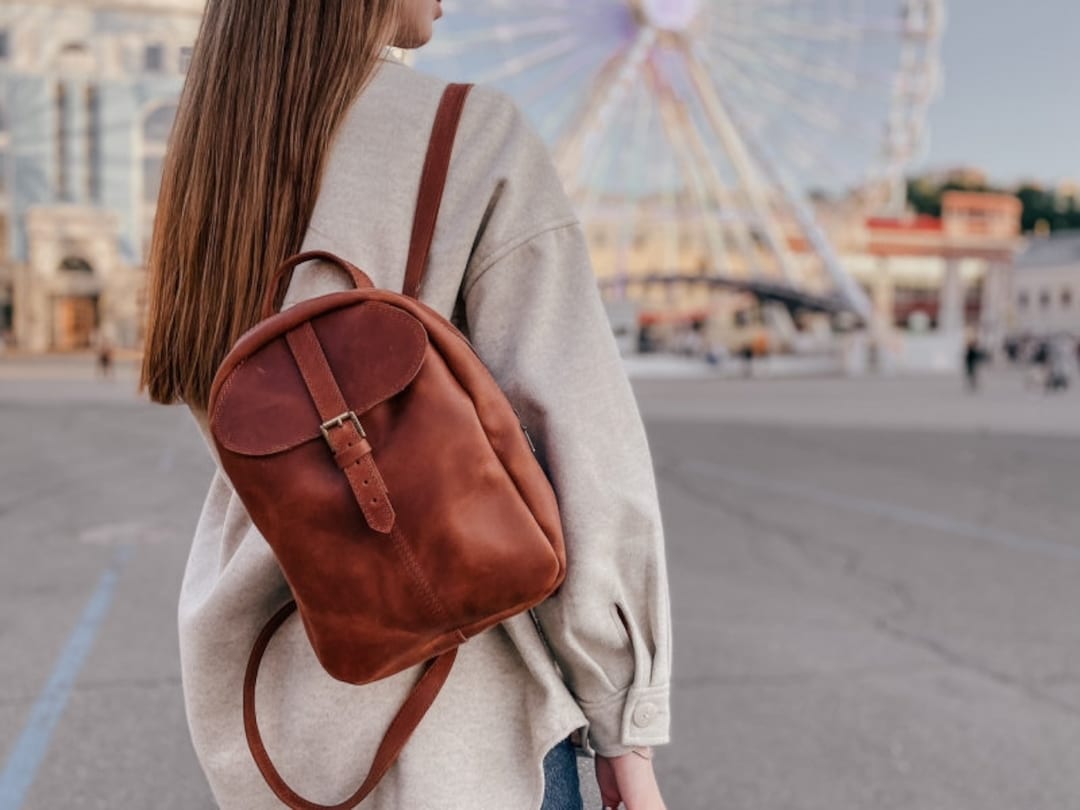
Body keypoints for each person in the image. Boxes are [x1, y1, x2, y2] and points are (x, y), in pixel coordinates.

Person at [139, 2, 672, 809]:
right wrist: (624, 722)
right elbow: (585, 443)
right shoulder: (469, 134)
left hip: (273, 718)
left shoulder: (212, 161)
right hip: (471, 725)